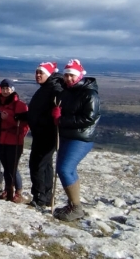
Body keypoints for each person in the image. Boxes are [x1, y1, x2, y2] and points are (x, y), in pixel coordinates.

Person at [52, 59, 100, 221]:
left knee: (65, 169)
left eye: (72, 75)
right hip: (68, 135)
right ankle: (73, 204)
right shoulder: (67, 91)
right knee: (67, 169)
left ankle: (76, 207)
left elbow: (89, 118)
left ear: (79, 75)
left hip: (81, 137)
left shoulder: (89, 94)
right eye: (66, 75)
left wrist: (61, 120)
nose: (68, 79)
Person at [27, 62, 63, 208]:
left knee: (37, 165)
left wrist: (58, 113)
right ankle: (46, 196)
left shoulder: (55, 88)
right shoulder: (47, 87)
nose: (38, 75)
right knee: (45, 165)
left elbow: (60, 105)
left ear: (49, 74)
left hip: (47, 133)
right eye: (37, 72)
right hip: (41, 132)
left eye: (41, 73)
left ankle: (40, 198)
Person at [0, 80, 30, 203]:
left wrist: (7, 118)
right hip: (1, 139)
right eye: (3, 88)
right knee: (6, 166)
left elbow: (24, 125)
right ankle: (8, 189)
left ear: (12, 89)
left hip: (14, 141)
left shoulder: (20, 105)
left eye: (7, 88)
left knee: (12, 168)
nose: (5, 91)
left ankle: (18, 192)